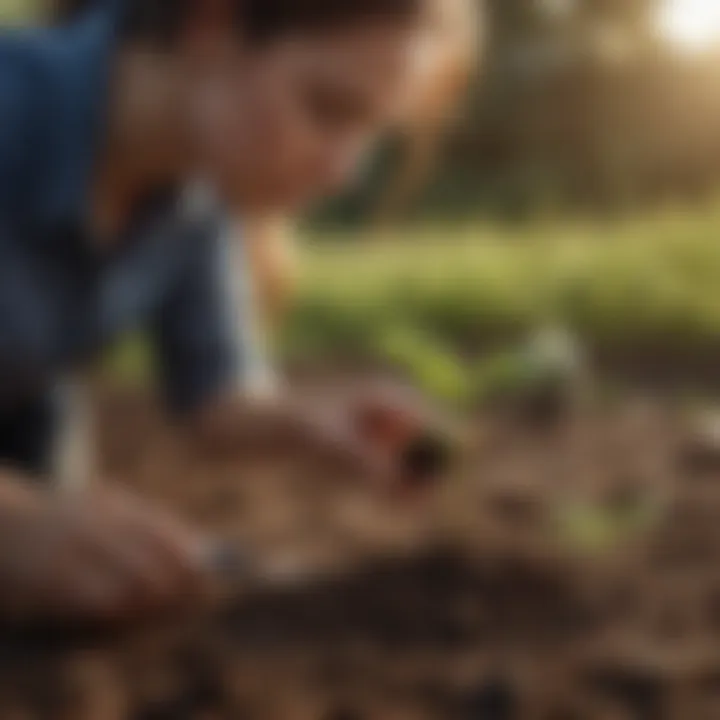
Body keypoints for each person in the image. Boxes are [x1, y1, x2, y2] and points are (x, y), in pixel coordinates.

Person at [0, 0, 437, 625]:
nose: (345, 172)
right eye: (327, 108)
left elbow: (216, 394)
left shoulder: (194, 195)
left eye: (370, 132)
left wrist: (314, 422)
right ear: (212, 26)